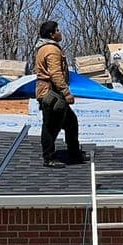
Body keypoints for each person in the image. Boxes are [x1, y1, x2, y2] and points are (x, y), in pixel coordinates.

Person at [33, 21, 85, 168]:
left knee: (71, 122)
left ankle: (74, 153)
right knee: (50, 126)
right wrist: (66, 92)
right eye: (57, 30)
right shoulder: (51, 49)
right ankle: (49, 158)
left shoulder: (44, 48)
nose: (60, 32)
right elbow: (55, 74)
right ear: (51, 34)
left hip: (51, 92)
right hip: (52, 93)